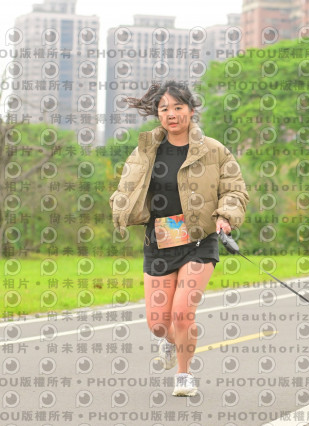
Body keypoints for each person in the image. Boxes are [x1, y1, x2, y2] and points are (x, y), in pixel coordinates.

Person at [109, 81, 249, 397]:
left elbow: (235, 189)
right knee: (159, 324)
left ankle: (184, 374)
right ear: (158, 114)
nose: (171, 114)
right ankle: (171, 342)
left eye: (178, 107)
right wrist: (121, 209)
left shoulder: (214, 150)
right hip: (159, 241)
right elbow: (125, 189)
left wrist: (225, 215)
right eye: (164, 109)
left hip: (199, 240)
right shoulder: (145, 150)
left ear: (191, 110)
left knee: (183, 313)